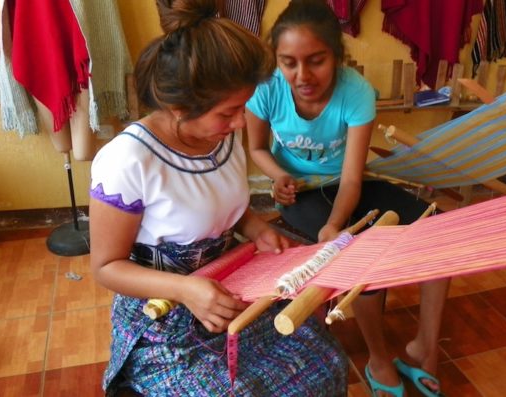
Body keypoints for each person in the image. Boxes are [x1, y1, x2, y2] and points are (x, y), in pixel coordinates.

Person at [88, 1, 349, 396]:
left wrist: (255, 227)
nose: (240, 123)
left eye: (242, 108)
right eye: (228, 113)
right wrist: (187, 290)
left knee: (324, 362)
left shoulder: (221, 138)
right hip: (165, 320)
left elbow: (223, 204)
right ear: (178, 108)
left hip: (231, 291)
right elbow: (107, 267)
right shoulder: (128, 161)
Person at [245, 1, 450, 396]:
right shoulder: (267, 89)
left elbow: (353, 178)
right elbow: (256, 149)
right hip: (301, 193)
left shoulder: (355, 92)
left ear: (337, 57)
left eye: (316, 61)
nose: (302, 75)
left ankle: (426, 348)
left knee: (438, 227)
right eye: (288, 62)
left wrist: (334, 226)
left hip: (349, 185)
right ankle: (378, 358)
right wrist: (280, 177)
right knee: (363, 258)